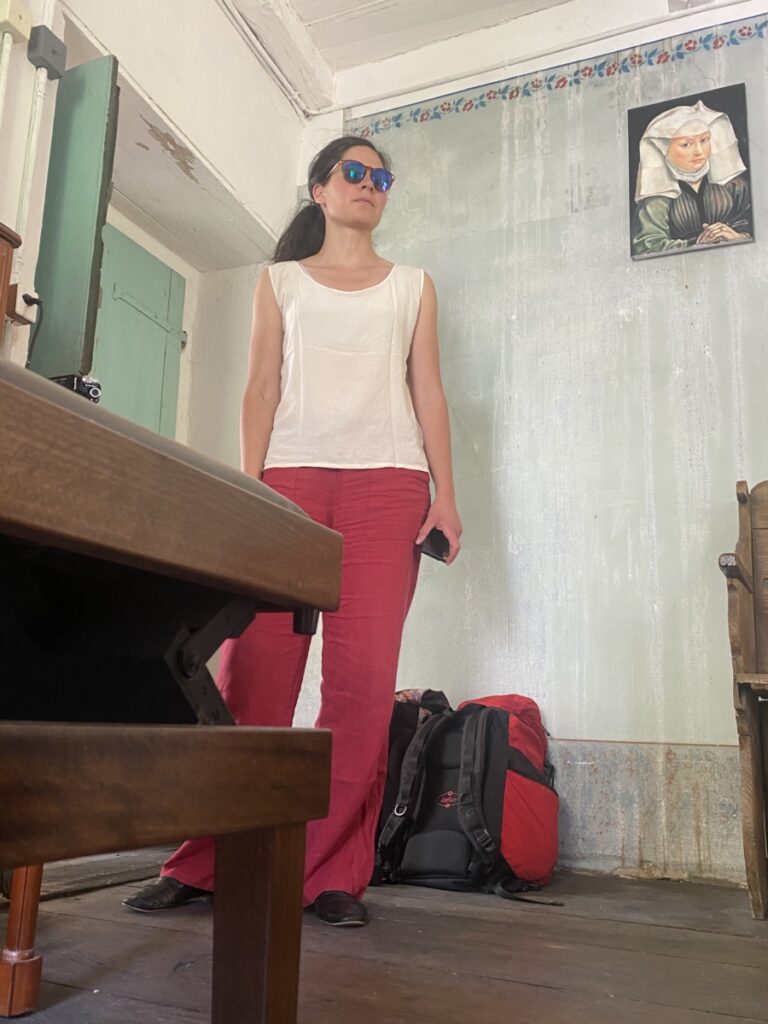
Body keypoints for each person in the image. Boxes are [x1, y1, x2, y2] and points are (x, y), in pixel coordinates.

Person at [123, 136, 462, 926]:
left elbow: (430, 393)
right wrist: (253, 490)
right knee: (252, 675)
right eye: (355, 172)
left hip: (390, 485)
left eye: (382, 177)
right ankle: (205, 861)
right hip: (290, 483)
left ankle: (329, 873)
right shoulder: (278, 282)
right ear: (319, 188)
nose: (370, 185)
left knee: (362, 686)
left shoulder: (414, 286)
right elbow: (261, 388)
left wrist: (446, 495)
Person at [631, 100, 752, 257]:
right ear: (664, 149)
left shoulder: (734, 184)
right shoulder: (655, 199)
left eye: (704, 140)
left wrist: (737, 237)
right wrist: (697, 244)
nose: (699, 151)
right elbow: (647, 247)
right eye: (686, 145)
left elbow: (756, 226)